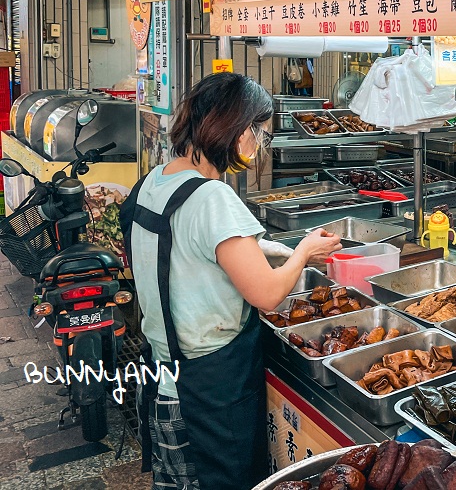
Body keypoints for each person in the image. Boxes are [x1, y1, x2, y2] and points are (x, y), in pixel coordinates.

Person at [122, 73, 342, 489]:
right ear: (239, 129)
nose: (258, 145)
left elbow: (188, 251)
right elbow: (268, 295)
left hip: (165, 376)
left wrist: (267, 251)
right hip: (211, 388)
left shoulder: (157, 179)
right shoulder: (212, 197)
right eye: (260, 132)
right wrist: (303, 252)